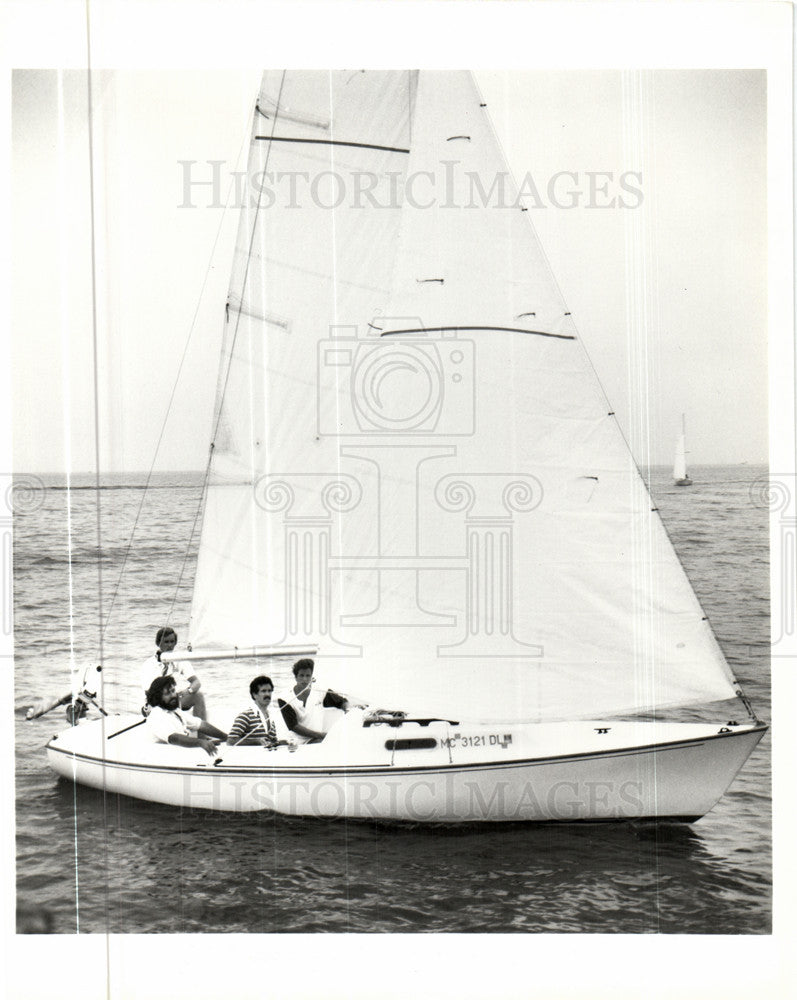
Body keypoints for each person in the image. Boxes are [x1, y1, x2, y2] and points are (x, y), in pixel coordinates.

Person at [277, 658, 357, 743]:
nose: (304, 679)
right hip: (295, 741)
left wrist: (348, 711)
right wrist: (321, 735)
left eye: (308, 675)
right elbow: (293, 726)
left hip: (315, 739)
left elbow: (343, 702)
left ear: (312, 677)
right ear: (296, 677)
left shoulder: (320, 692)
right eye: (301, 675)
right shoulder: (284, 698)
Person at [145, 675, 226, 756]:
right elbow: (174, 738)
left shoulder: (175, 711)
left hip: (179, 753)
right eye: (167, 694)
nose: (173, 696)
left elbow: (201, 725)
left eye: (173, 691)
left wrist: (226, 737)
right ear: (158, 697)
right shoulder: (157, 715)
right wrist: (201, 742)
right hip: (165, 756)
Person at [140, 626, 207, 720]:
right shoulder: (149, 664)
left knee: (198, 695)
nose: (170, 645)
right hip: (155, 702)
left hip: (175, 698)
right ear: (158, 643)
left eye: (172, 642)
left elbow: (196, 682)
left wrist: (188, 691)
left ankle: (202, 734)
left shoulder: (180, 660)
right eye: (166, 642)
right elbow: (148, 692)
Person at [227, 675, 290, 747]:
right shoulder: (246, 716)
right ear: (254, 695)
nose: (267, 694)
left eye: (269, 691)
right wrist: (256, 741)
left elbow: (270, 744)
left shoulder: (270, 718)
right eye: (263, 691)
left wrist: (280, 743)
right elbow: (230, 741)